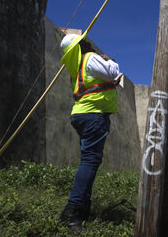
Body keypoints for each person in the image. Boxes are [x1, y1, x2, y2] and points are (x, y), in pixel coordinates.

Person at [58, 33, 121, 228]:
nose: (88, 43)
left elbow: (100, 83)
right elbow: (112, 72)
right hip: (94, 114)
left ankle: (82, 208)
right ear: (80, 46)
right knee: (90, 161)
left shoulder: (75, 67)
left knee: (89, 160)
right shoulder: (90, 58)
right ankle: (72, 211)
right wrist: (110, 60)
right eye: (84, 41)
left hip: (81, 115)